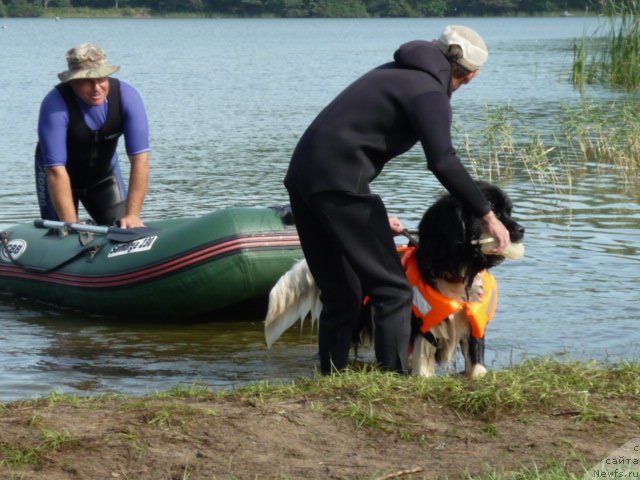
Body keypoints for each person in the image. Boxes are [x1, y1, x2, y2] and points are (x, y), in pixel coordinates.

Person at [284, 25, 511, 375]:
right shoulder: (428, 92)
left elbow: (347, 141)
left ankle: (329, 380)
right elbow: (443, 161)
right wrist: (487, 215)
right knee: (393, 290)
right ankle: (393, 384)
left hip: (303, 179)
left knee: (342, 293)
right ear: (470, 76)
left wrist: (367, 213)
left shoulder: (392, 73)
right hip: (339, 185)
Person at [35, 43, 150, 228]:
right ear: (72, 81)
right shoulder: (54, 105)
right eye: (86, 80)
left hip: (103, 178)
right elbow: (56, 171)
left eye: (101, 78)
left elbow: (141, 160)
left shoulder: (127, 97)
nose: (96, 87)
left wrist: (133, 215)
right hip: (58, 178)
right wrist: (71, 227)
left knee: (124, 228)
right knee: (64, 236)